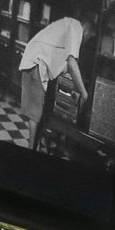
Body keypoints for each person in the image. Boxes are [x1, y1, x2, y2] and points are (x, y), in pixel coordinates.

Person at [16, 14, 90, 145]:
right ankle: (31, 148)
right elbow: (71, 63)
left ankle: (35, 146)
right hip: (35, 63)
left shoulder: (68, 26)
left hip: (35, 62)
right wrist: (84, 93)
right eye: (89, 36)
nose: (87, 39)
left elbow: (68, 66)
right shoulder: (76, 26)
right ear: (87, 29)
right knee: (35, 115)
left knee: (39, 113)